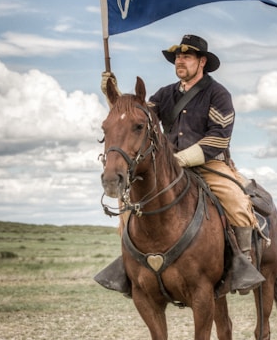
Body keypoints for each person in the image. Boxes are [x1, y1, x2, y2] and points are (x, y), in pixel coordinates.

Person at [97, 34, 264, 295]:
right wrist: (113, 95)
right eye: (177, 57)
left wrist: (183, 159)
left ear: (202, 62)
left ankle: (242, 264)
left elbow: (218, 139)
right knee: (129, 204)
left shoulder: (218, 94)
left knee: (237, 201)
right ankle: (127, 265)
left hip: (209, 165)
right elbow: (135, 118)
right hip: (169, 169)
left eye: (186, 57)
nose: (180, 62)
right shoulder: (165, 94)